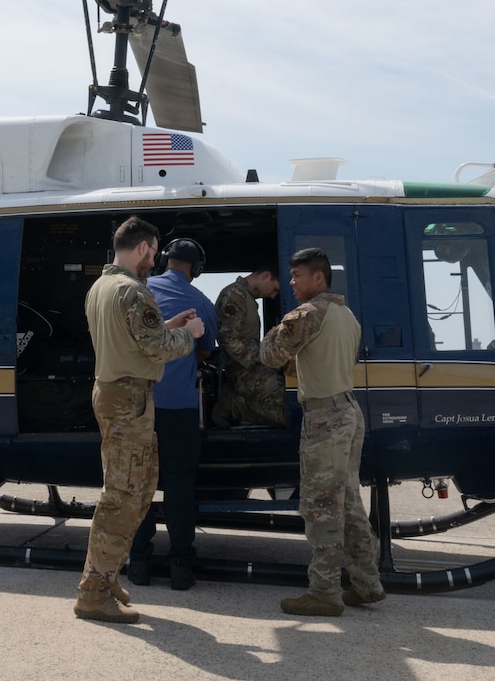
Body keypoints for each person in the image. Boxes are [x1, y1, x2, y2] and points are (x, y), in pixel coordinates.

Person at [74, 215, 203, 624]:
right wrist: (191, 334)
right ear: (144, 247)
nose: (155, 260)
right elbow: (158, 349)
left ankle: (105, 575)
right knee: (124, 496)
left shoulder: (103, 287)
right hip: (129, 399)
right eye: (154, 252)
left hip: (117, 394)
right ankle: (93, 592)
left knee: (138, 491)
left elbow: (135, 338)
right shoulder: (134, 291)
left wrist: (167, 324)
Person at [258, 246, 385, 616]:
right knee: (348, 503)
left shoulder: (308, 314)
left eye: (298, 276)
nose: (292, 283)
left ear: (319, 278)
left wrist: (273, 329)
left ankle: (324, 592)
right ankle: (367, 584)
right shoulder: (346, 314)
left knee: (321, 507)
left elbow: (270, 356)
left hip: (324, 416)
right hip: (347, 410)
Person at [126, 236, 218, 591]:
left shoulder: (140, 293)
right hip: (179, 408)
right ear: (196, 270)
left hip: (141, 407)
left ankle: (139, 563)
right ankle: (181, 564)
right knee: (179, 486)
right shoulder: (201, 303)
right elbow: (206, 352)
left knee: (141, 486)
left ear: (163, 259)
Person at [212, 264, 285, 427]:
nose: (273, 296)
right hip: (242, 370)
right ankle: (231, 405)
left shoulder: (246, 298)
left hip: (250, 368)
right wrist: (264, 358)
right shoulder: (235, 296)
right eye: (274, 289)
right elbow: (227, 338)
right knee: (288, 408)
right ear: (266, 276)